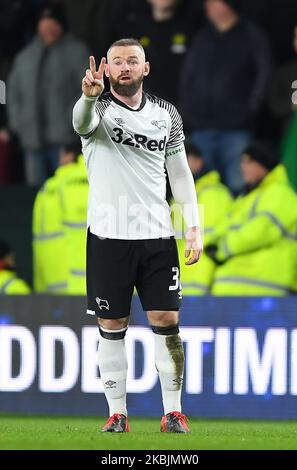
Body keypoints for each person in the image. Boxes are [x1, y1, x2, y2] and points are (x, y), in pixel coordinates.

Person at [72, 38, 202, 433]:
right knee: (112, 325)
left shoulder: (166, 115)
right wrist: (88, 98)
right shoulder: (97, 111)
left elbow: (179, 174)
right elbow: (80, 123)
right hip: (109, 237)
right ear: (106, 70)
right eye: (117, 62)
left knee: (167, 319)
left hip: (158, 237)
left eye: (133, 61)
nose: (124, 67)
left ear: (146, 68)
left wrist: (192, 226)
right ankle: (117, 413)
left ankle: (173, 412)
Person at [180, 0, 272, 194]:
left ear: (227, 5)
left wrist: (250, 109)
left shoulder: (251, 35)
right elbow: (187, 76)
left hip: (236, 128)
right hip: (202, 126)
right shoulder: (203, 37)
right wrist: (189, 111)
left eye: (213, 2)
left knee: (239, 185)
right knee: (199, 188)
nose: (207, 6)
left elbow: (264, 73)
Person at [7, 3, 89, 186]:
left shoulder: (77, 52)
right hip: (31, 142)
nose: (48, 29)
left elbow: (86, 91)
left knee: (66, 190)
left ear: (62, 26)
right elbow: (12, 92)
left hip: (65, 142)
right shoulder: (25, 56)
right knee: (35, 195)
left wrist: (73, 124)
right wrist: (17, 124)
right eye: (44, 24)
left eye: (53, 24)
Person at [207, 142, 297, 295]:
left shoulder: (280, 193)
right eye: (242, 161)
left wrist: (222, 247)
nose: (243, 167)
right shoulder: (247, 197)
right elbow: (225, 226)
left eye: (248, 161)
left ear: (263, 164)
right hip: (235, 285)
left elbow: (261, 230)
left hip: (262, 287)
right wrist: (211, 242)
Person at [172, 139, 232, 294]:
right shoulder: (178, 196)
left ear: (198, 162)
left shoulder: (213, 193)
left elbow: (210, 238)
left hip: (200, 278)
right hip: (179, 275)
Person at [32, 140, 88, 294]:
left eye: (61, 156)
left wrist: (41, 289)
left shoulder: (49, 189)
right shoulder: (108, 180)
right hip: (112, 289)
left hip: (63, 290)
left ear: (69, 157)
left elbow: (41, 242)